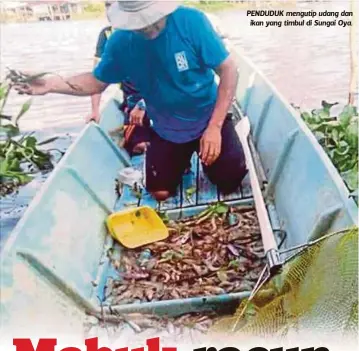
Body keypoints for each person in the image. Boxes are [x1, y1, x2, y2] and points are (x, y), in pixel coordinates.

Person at [13, 1, 247, 202]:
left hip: (208, 118)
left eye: (152, 18)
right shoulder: (121, 42)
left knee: (230, 181)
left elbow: (228, 70)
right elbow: (96, 82)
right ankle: (181, 159)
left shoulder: (191, 22)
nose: (148, 27)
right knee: (160, 192)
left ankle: (207, 153)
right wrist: (53, 84)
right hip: (167, 129)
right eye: (139, 22)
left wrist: (215, 127)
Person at [87, 0, 150, 156]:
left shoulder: (145, 30)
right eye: (107, 5)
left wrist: (144, 104)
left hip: (155, 97)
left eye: (114, 4)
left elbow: (164, 76)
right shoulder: (107, 34)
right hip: (131, 99)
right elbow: (96, 77)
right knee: (137, 146)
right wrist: (94, 110)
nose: (110, 10)